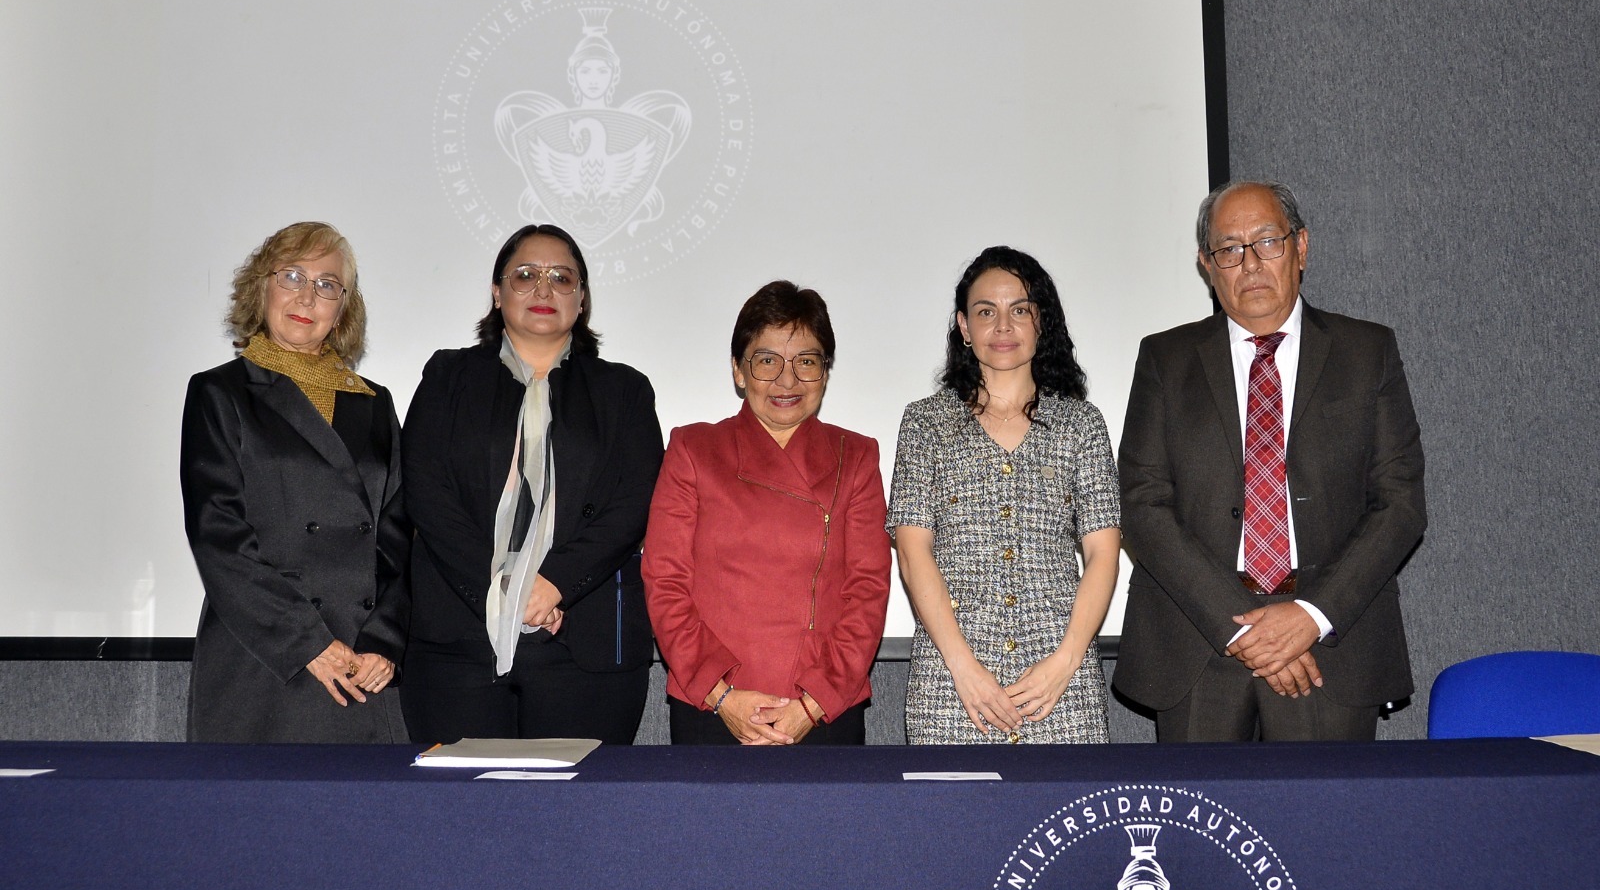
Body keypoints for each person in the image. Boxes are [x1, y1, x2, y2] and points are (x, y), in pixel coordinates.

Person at [1117, 179, 1427, 742]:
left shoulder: (1367, 352)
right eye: (1229, 249)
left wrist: (1309, 616)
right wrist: (1242, 629)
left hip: (1331, 648)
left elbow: (1400, 505)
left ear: (1301, 247)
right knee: (1196, 828)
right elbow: (1143, 507)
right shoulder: (1165, 358)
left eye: (1267, 242)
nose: (1250, 263)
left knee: (1324, 828)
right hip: (1199, 643)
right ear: (1208, 267)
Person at [402, 223, 663, 745]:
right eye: (525, 275)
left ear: (582, 300)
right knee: (464, 817)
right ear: (497, 294)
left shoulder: (624, 391)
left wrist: (554, 582)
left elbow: (633, 503)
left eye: (562, 278)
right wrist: (503, 587)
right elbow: (427, 493)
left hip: (582, 644)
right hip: (458, 642)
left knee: (577, 822)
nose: (544, 290)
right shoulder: (447, 377)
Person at [180, 221, 408, 742]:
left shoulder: (375, 402)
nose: (308, 294)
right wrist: (307, 642)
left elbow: (399, 537)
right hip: (266, 656)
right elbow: (218, 536)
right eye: (292, 276)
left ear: (343, 307)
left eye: (328, 284)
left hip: (361, 667)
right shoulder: (220, 393)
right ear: (261, 287)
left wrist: (385, 640)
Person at [888, 247, 1121, 745]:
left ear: (1042, 320)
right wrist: (964, 668)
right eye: (985, 312)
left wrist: (1066, 661)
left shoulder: (1082, 425)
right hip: (952, 688)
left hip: (1061, 684)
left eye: (1019, 309)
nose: (1002, 326)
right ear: (964, 327)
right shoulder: (925, 424)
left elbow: (1103, 554)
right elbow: (912, 554)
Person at [643, 281, 890, 744]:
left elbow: (868, 589)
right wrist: (722, 696)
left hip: (822, 707)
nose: (787, 380)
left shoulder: (854, 456)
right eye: (767, 360)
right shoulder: (694, 449)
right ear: (738, 370)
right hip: (713, 705)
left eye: (807, 362)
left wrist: (812, 703)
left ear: (825, 373)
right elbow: (665, 582)